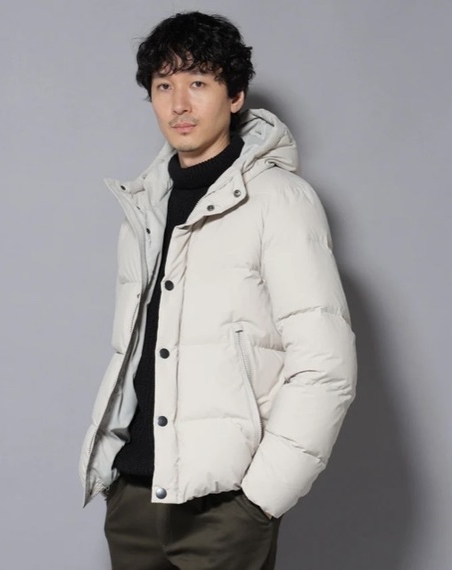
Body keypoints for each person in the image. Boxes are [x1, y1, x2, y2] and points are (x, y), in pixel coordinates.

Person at [79, 11, 357, 570]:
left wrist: (259, 500)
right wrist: (111, 473)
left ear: (235, 96)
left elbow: (326, 366)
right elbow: (137, 352)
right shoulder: (144, 210)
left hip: (224, 509)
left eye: (199, 83)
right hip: (134, 498)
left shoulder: (279, 201)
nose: (179, 104)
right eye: (164, 86)